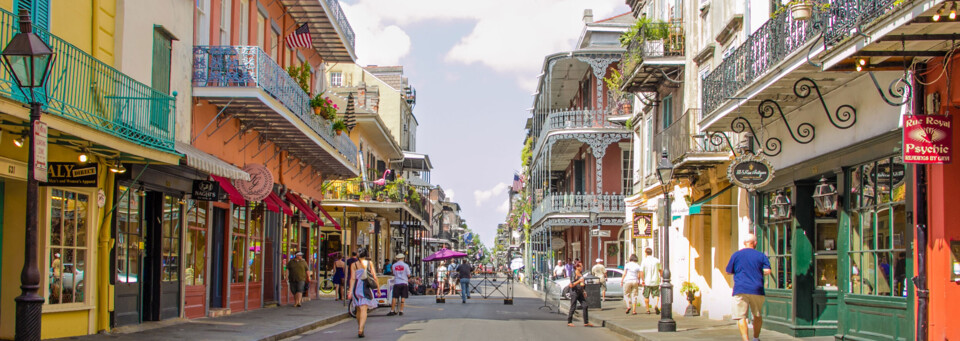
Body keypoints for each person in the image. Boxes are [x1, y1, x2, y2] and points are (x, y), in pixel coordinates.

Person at [725, 233, 772, 341]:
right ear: (755, 243)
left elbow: (728, 271)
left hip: (740, 289)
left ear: (744, 243)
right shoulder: (761, 255)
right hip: (757, 289)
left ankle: (746, 339)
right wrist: (758, 271)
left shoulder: (736, 255)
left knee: (741, 316)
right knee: (757, 315)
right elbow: (767, 270)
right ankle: (756, 338)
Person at [347, 247, 378, 338]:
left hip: (356, 288)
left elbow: (352, 278)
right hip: (366, 287)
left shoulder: (354, 265)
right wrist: (378, 289)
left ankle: (360, 327)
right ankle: (361, 329)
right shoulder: (369, 263)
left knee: (358, 309)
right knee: (364, 308)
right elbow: (374, 277)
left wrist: (350, 291)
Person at [566, 262, 594, 327]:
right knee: (573, 306)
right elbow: (571, 285)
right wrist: (579, 281)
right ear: (577, 267)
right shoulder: (573, 274)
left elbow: (582, 284)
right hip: (574, 292)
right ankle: (569, 321)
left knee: (585, 305)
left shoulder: (581, 274)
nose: (582, 267)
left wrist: (584, 291)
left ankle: (586, 322)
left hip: (580, 292)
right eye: (581, 266)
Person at [638, 248, 662, 314]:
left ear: (646, 253)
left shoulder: (644, 261)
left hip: (647, 281)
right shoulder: (657, 260)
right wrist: (661, 277)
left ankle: (648, 310)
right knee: (656, 295)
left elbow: (641, 272)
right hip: (655, 281)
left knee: (646, 296)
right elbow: (660, 270)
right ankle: (656, 305)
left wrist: (642, 280)